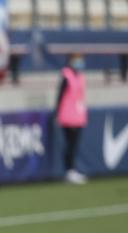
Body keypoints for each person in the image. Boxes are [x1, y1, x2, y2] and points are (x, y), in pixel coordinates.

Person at [55, 53, 88, 184]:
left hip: (78, 115)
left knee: (74, 145)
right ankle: (69, 171)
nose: (79, 63)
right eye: (77, 60)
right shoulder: (66, 75)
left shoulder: (80, 76)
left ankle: (72, 170)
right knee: (70, 145)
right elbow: (60, 96)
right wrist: (58, 113)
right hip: (68, 116)